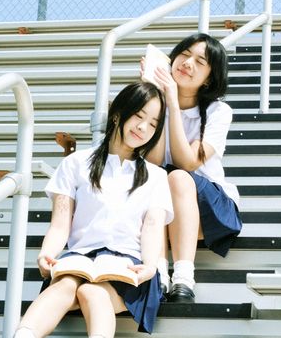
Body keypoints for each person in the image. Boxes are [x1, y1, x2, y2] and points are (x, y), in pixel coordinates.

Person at [14, 81, 173, 338]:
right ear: (118, 114)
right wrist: (47, 254)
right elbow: (60, 223)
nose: (143, 128)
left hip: (129, 267)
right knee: (66, 284)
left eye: (153, 123)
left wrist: (151, 266)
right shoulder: (75, 164)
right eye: (138, 116)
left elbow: (153, 227)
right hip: (80, 259)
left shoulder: (155, 176)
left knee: (92, 291)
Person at [144, 32, 242, 304]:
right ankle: (159, 273)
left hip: (210, 208)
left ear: (210, 77)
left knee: (176, 176)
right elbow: (152, 161)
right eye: (184, 55)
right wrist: (159, 102)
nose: (188, 63)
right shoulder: (154, 104)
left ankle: (184, 277)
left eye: (200, 61)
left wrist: (173, 104)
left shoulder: (218, 112)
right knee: (154, 178)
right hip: (164, 203)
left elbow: (188, 162)